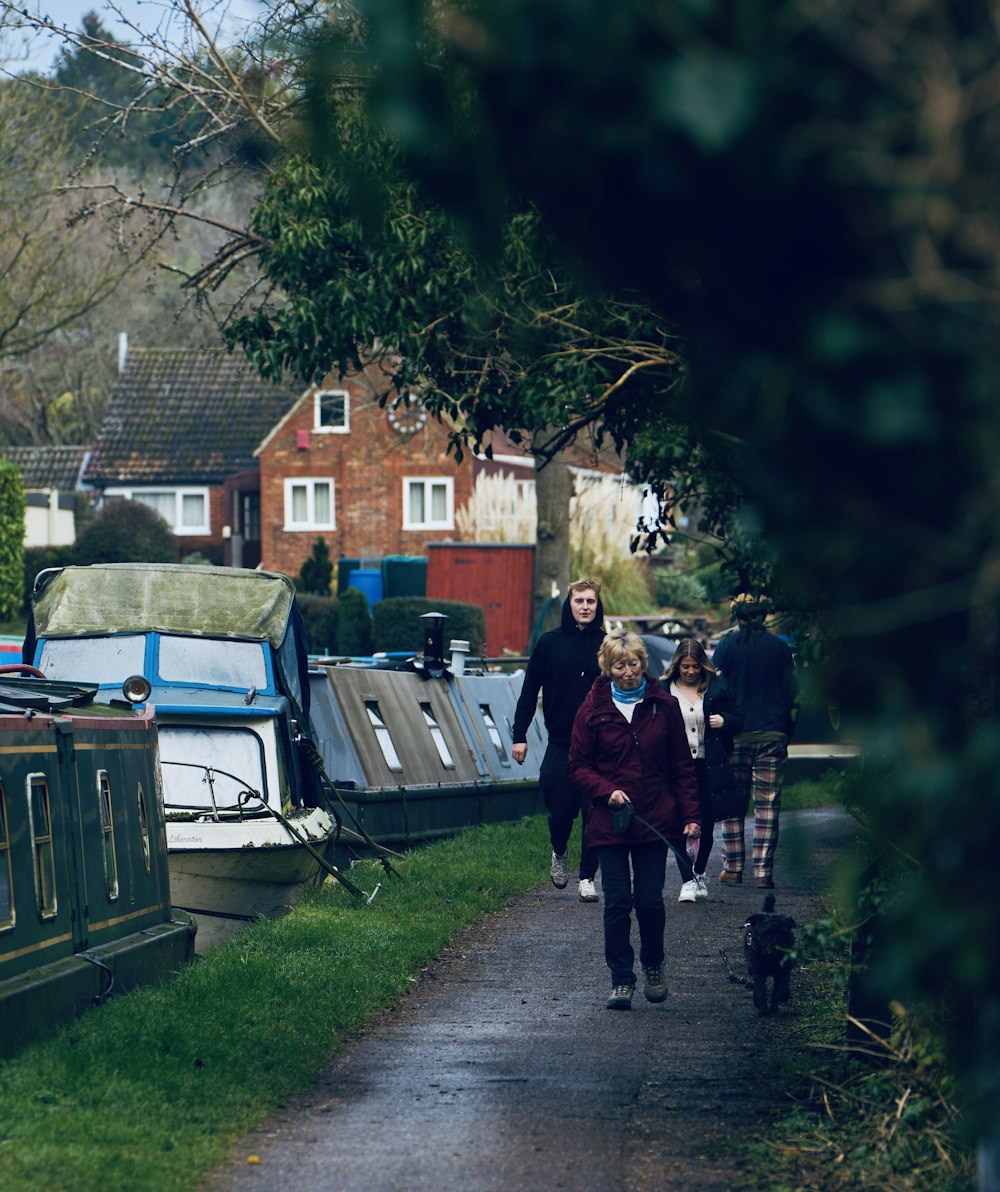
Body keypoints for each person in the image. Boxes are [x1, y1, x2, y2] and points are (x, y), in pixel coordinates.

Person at [568, 630, 701, 1010]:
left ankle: (654, 965)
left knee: (649, 902)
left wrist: (691, 815)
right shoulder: (592, 709)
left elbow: (682, 766)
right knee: (617, 903)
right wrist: (605, 791)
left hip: (654, 817)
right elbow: (576, 766)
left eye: (634, 663)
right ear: (607, 668)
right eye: (619, 665)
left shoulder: (664, 705)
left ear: (644, 663)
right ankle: (621, 979)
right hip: (609, 821)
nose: (628, 672)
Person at [512, 578, 605, 901]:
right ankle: (560, 850)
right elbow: (529, 690)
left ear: (598, 606)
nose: (585, 607)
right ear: (569, 604)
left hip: (599, 745)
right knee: (560, 810)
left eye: (590, 601)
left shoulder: (607, 646)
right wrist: (519, 735)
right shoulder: (549, 643)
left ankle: (588, 877)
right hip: (561, 741)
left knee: (595, 812)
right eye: (579, 601)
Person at [711, 593, 797, 890]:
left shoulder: (725, 646)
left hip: (734, 734)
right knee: (767, 805)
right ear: (763, 616)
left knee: (734, 801)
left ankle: (733, 868)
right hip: (772, 732)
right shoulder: (780, 648)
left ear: (737, 616)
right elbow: (792, 693)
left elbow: (715, 689)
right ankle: (763, 871)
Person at [661, 639, 743, 901]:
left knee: (706, 821)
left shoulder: (716, 688)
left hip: (708, 764)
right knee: (675, 821)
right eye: (685, 666)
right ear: (677, 665)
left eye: (695, 666)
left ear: (702, 665)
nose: (690, 671)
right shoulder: (665, 690)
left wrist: (725, 721)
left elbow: (740, 719)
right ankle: (687, 880)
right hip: (675, 766)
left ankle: (699, 872)